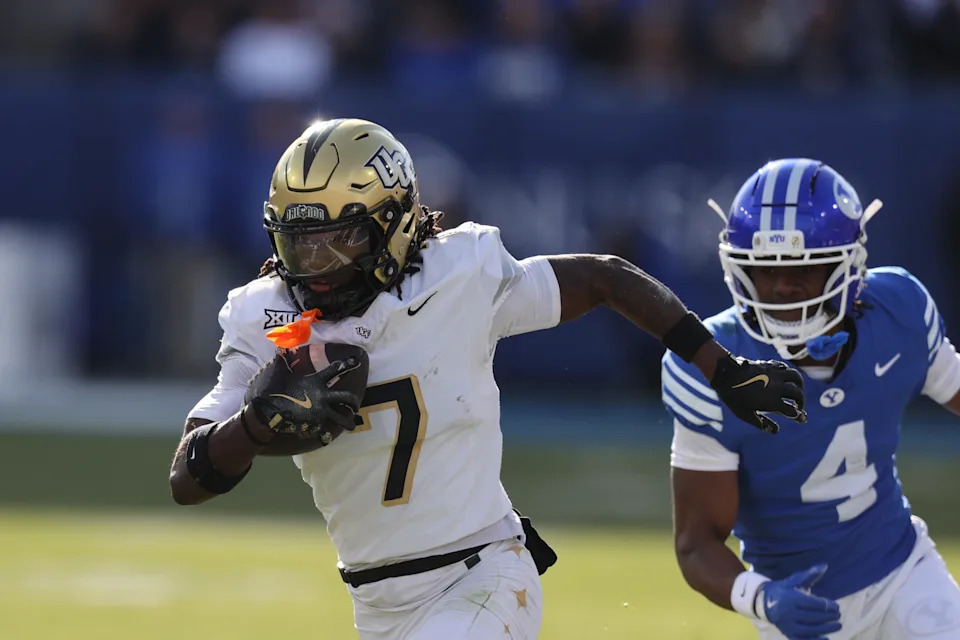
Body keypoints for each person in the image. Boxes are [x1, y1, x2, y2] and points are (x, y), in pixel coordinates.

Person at [168, 118, 806, 640]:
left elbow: (603, 277)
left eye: (340, 242)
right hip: (376, 603)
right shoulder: (265, 316)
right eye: (301, 244)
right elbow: (187, 478)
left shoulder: (458, 276)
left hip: (482, 576)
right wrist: (253, 425)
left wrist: (720, 366)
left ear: (394, 224)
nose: (317, 267)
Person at [663, 158, 960, 640]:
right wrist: (761, 597)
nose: (783, 286)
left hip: (905, 574)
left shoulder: (897, 311)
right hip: (800, 604)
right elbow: (696, 543)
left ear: (849, 266)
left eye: (804, 267)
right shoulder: (713, 366)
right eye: (766, 269)